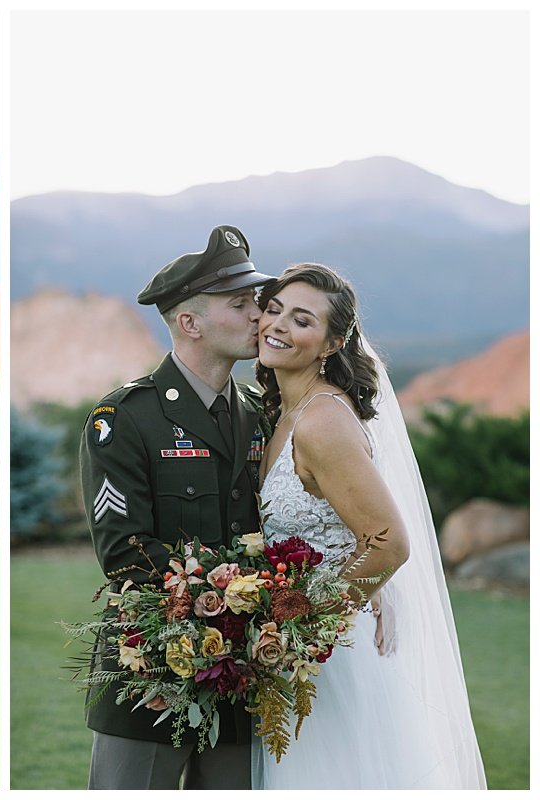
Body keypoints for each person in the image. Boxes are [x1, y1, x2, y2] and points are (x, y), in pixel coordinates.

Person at [251, 263, 485, 788]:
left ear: (331, 344)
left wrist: (301, 628)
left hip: (328, 653)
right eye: (273, 310)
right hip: (299, 645)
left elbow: (387, 543)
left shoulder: (323, 421)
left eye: (301, 320)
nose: (278, 326)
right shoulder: (281, 414)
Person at [78, 225, 275, 789]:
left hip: (244, 673)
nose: (259, 316)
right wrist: (237, 594)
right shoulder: (125, 419)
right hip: (150, 671)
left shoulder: (262, 416)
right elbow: (125, 553)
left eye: (256, 302)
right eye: (240, 304)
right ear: (190, 323)